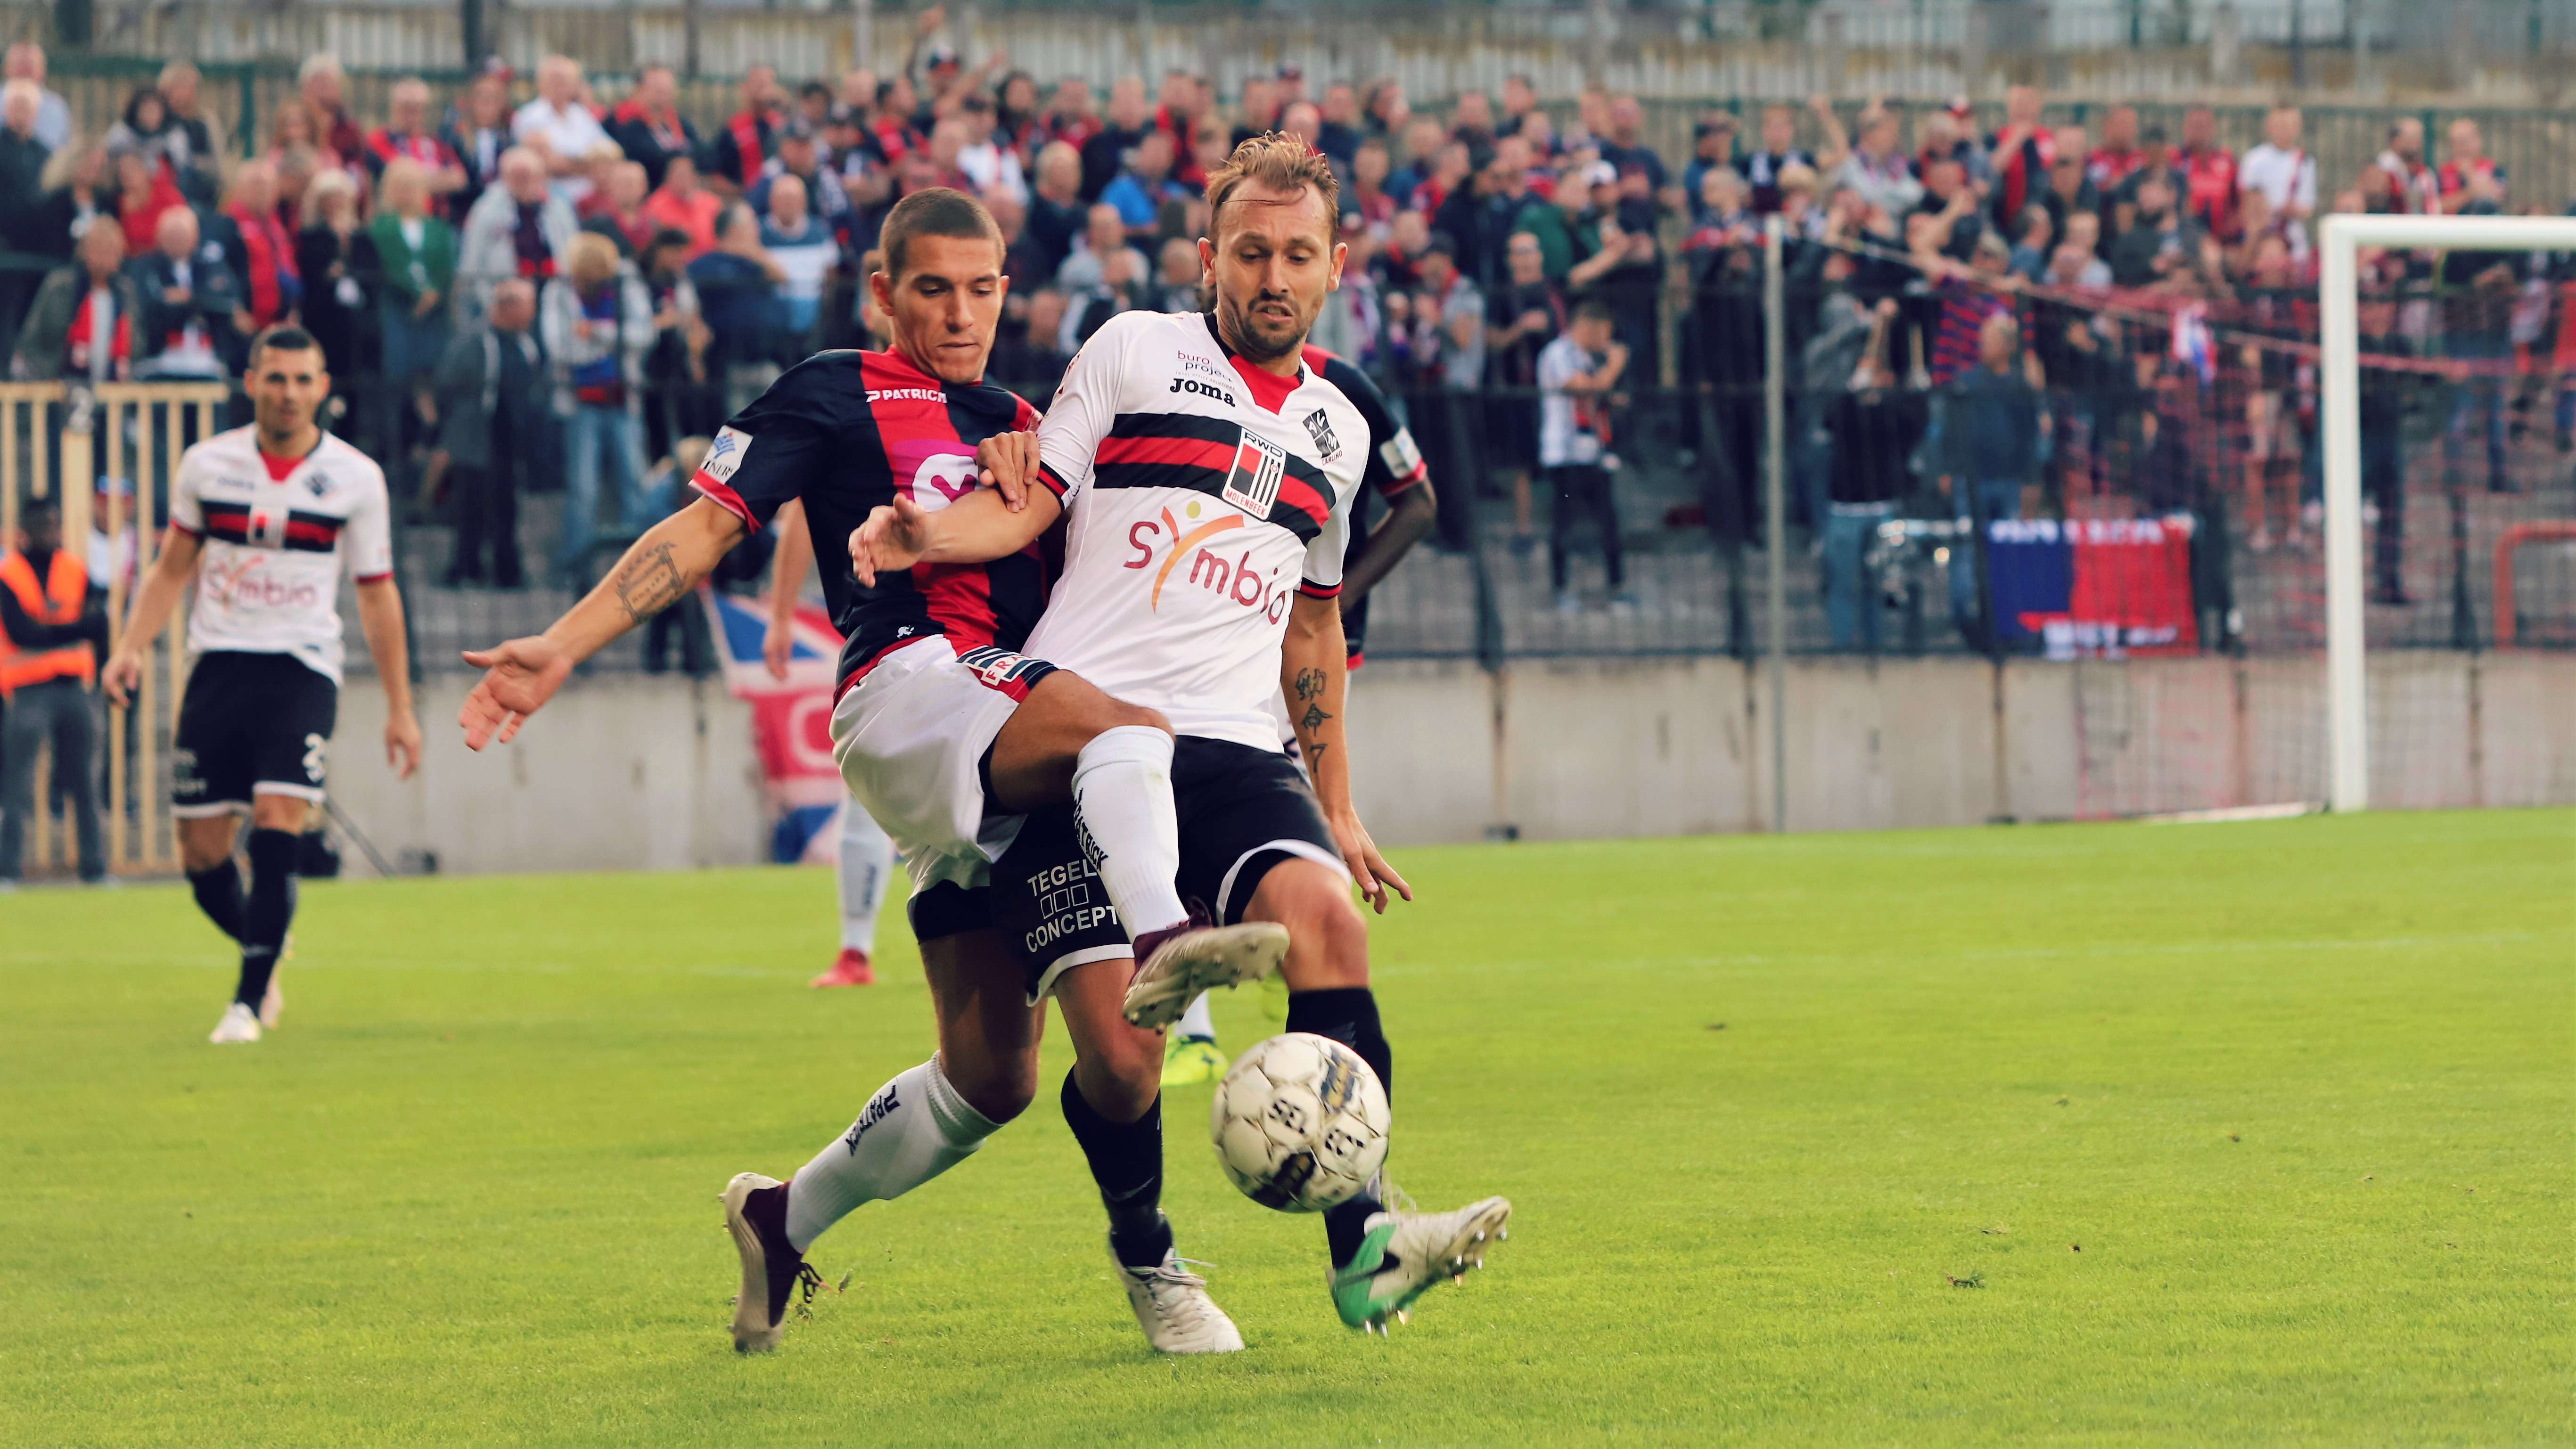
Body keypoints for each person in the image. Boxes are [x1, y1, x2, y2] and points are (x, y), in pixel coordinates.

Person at [451, 188, 1285, 1354]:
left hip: (1013, 741)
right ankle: (1168, 959)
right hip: (911, 692)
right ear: (883, 292)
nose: (959, 313)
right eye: (931, 289)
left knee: (1009, 1073)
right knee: (1124, 730)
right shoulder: (833, 389)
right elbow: (704, 526)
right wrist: (563, 643)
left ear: (1008, 289)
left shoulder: (1025, 424)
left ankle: (779, 1217)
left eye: (981, 289)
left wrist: (1039, 485)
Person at [887, 137, 1510, 1336]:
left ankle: (1365, 1241)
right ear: (1206, 258)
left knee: (1327, 922)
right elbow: (1031, 496)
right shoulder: (1132, 347)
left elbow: (1312, 628)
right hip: (1087, 733)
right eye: (1247, 252)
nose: (1270, 276)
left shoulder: (1333, 428)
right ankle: (1145, 1254)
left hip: (1235, 744)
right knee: (1121, 1066)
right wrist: (934, 534)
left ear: (1335, 267)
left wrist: (1334, 800)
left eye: (1295, 256)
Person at [101, 327, 420, 1043]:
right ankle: (265, 949)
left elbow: (377, 595)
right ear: (250, 382)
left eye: (303, 380)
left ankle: (246, 1003)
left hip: (302, 668)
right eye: (275, 379)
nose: (289, 393)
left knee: (280, 816)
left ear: (323, 385)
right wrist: (129, 647)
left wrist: (401, 707)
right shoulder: (206, 465)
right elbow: (171, 569)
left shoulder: (355, 477)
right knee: (201, 854)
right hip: (217, 665)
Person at [1160, 328, 1441, 1084]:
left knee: (1284, 829)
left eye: (1296, 256)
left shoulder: (1344, 393)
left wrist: (1332, 595)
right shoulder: (1176, 377)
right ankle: (1195, 1018)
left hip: (1307, 649)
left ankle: (1267, 977)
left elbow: (1416, 502)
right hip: (1217, 644)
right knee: (1217, 811)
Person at [763, 499, 899, 989]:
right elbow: (803, 509)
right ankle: (855, 951)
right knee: (865, 790)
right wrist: (780, 616)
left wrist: (781, 617)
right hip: (896, 635)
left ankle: (856, 951)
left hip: (960, 632)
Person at [0, 497, 106, 885]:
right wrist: (71, 626)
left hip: (74, 689)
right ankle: (8, 870)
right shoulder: (10, 573)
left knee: (85, 781)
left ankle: (95, 869)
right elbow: (20, 632)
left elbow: (100, 622)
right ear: (25, 530)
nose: (51, 532)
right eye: (43, 525)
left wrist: (49, 630)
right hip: (28, 690)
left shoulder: (74, 568)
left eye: (55, 524)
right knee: (18, 784)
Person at [543, 232, 656, 582]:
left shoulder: (627, 285)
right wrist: (612, 342)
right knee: (583, 488)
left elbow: (644, 335)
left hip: (624, 398)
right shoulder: (558, 289)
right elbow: (560, 348)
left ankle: (645, 565)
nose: (587, 285)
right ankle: (576, 566)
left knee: (635, 481)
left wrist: (596, 333)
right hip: (580, 402)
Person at [431, 278, 544, 586]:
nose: (532, 314)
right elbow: (448, 386)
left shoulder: (525, 344)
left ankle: (507, 570)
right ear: (508, 307)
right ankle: (465, 567)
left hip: (511, 440)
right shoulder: (475, 341)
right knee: (471, 505)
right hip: (477, 438)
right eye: (527, 307)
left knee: (507, 507)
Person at [1536, 299, 1629, 612]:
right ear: (1587, 326)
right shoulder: (1558, 353)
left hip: (1594, 452)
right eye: (1604, 333)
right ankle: (1560, 588)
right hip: (1565, 453)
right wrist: (1615, 366)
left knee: (1610, 522)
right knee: (1564, 522)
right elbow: (1580, 388)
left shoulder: (1588, 358)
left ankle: (1618, 586)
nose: (1607, 341)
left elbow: (1596, 394)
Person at [369, 159, 457, 418]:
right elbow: (389, 264)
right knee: (398, 371)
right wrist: (417, 293)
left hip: (434, 311)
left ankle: (427, 435)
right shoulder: (381, 227)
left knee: (432, 371)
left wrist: (433, 293)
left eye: (411, 185)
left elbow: (444, 265)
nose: (405, 191)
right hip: (399, 305)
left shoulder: (437, 228)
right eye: (399, 186)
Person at [455, 147, 577, 322]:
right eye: (516, 176)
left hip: (553, 293)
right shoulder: (487, 210)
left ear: (539, 176)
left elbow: (572, 249)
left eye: (527, 175)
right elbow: (472, 260)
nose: (522, 181)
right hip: (506, 297)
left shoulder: (557, 208)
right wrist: (488, 300)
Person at [13, 220, 143, 381]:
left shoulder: (126, 292)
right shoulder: (60, 285)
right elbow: (32, 337)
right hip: (58, 387)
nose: (103, 258)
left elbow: (137, 342)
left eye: (110, 251)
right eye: (98, 250)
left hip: (112, 390)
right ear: (84, 251)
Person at [127, 205, 246, 379]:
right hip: (160, 359)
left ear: (195, 236)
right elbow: (148, 308)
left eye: (181, 234)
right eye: (170, 234)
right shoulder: (146, 267)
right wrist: (199, 308)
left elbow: (227, 303)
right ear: (159, 237)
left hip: (208, 359)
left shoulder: (211, 265)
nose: (176, 240)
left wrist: (187, 298)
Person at [362, 78, 468, 219]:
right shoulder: (379, 140)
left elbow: (459, 179)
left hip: (433, 222)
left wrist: (412, 181)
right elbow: (392, 178)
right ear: (394, 108)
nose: (412, 113)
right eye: (406, 106)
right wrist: (436, 178)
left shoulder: (435, 143)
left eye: (418, 107)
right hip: (395, 220)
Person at [514, 55, 612, 205]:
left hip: (589, 200)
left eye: (566, 79)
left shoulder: (582, 115)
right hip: (549, 202)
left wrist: (570, 163)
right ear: (541, 83)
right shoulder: (529, 117)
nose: (560, 84)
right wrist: (587, 165)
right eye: (554, 79)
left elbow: (610, 155)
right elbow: (546, 164)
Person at [756, 172, 838, 347]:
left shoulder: (820, 233)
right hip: (770, 324)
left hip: (814, 322)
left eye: (793, 199)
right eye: (783, 199)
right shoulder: (758, 234)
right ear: (772, 202)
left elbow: (831, 270)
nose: (788, 204)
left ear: (804, 202)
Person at [603, 65, 699, 193]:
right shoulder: (622, 121)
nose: (664, 91)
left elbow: (704, 156)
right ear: (639, 89)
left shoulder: (679, 123)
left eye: (667, 86)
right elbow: (644, 156)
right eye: (657, 87)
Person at [641, 153, 722, 256]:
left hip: (710, 261)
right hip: (676, 264)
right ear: (668, 176)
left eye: (686, 173)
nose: (682, 179)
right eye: (678, 174)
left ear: (695, 176)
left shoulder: (712, 203)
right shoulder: (655, 206)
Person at [2, 42, 69, 153]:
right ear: (6, 68)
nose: (24, 71)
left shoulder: (56, 108)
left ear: (42, 71)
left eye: (29, 66)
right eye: (19, 65)